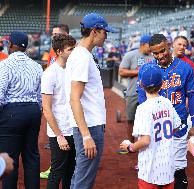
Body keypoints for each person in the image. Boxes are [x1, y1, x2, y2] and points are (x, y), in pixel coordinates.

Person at [137, 34, 194, 189]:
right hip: (157, 128)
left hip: (178, 126)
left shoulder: (185, 67)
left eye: (162, 51)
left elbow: (192, 95)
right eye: (155, 53)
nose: (160, 56)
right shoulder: (147, 69)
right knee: (155, 169)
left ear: (169, 45)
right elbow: (141, 96)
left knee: (177, 168)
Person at [65, 13, 117, 189]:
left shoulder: (83, 54)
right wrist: (86, 135)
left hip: (90, 125)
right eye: (104, 32)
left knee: (80, 177)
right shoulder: (81, 56)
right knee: (83, 182)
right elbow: (74, 99)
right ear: (94, 31)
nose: (106, 35)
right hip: (89, 127)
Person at [120, 64, 181, 189]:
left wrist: (130, 147)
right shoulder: (167, 102)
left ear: (141, 84)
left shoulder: (143, 108)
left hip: (149, 170)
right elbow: (176, 127)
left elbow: (145, 141)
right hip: (167, 168)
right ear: (162, 84)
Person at [0, 31, 43, 189]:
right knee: (32, 157)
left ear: (10, 44)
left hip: (12, 112)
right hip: (33, 111)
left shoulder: (4, 65)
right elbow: (40, 97)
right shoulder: (37, 66)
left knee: (10, 159)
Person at [41, 34, 77, 189]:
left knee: (71, 171)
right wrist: (59, 136)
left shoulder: (73, 70)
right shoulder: (49, 74)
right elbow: (47, 109)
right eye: (70, 49)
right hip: (60, 131)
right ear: (59, 51)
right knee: (57, 172)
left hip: (74, 129)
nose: (74, 52)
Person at [119, 35, 153, 143]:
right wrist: (139, 72)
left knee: (148, 120)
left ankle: (146, 142)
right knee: (130, 119)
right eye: (150, 45)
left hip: (150, 94)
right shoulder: (131, 55)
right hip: (133, 92)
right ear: (143, 44)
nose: (151, 48)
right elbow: (122, 72)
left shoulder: (153, 57)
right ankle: (131, 143)